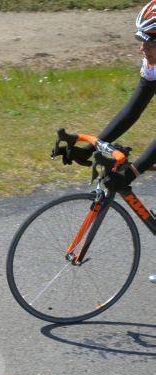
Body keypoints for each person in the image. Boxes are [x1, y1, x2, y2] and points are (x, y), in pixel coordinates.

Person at [64, 0, 156, 283]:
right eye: (139, 40)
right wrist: (91, 146)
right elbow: (133, 109)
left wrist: (134, 171)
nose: (141, 48)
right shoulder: (152, 62)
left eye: (148, 42)